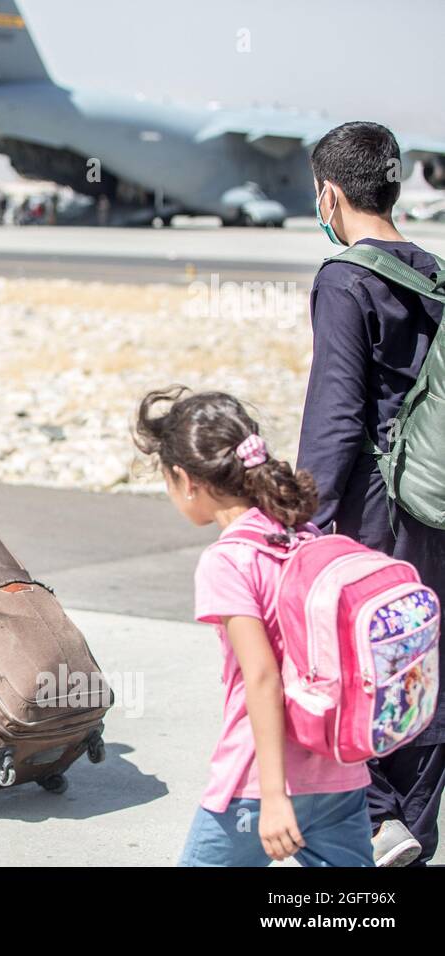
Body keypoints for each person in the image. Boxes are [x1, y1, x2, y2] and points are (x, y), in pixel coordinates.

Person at [134, 387, 373, 867]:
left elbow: (262, 676)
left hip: (257, 781)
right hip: (340, 772)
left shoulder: (228, 560)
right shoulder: (302, 535)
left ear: (185, 479)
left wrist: (273, 796)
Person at [298, 121, 445, 867]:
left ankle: (380, 830)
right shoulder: (435, 273)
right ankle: (416, 820)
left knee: (366, 661)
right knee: (424, 658)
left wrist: (306, 523)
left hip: (376, 511)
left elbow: (336, 413)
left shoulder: (345, 278)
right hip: (436, 506)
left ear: (331, 192)